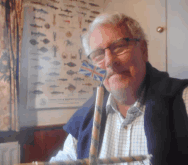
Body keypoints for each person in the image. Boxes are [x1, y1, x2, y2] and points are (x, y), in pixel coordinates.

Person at [49, 12, 188, 165]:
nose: (109, 62)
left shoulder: (183, 99)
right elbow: (67, 158)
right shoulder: (87, 114)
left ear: (143, 50)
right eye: (98, 55)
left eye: (119, 46)